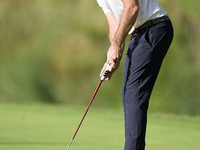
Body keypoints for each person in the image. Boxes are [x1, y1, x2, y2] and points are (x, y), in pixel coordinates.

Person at [97, 0, 174, 150]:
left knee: (134, 96)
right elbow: (115, 26)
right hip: (140, 33)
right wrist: (113, 57)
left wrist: (115, 46)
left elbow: (132, 7)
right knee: (129, 95)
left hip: (154, 27)